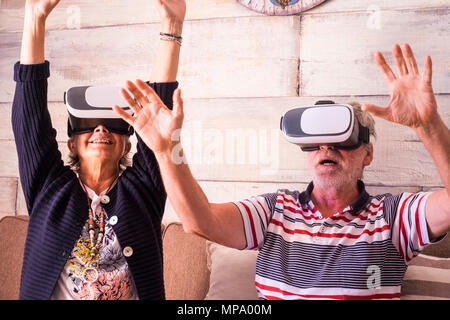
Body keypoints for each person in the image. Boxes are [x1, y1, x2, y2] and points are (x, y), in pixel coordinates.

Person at [115, 44, 450, 299]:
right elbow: (199, 221)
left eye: (342, 139)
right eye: (316, 140)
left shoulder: (393, 217)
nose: (327, 149)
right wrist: (164, 148)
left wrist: (429, 126)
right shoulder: (275, 210)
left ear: (368, 154)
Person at [12, 0, 186, 300]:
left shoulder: (143, 190)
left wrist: (172, 28)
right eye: (88, 125)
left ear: (127, 145)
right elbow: (29, 122)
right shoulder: (49, 188)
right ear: (71, 144)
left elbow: (159, 113)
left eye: (113, 126)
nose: (101, 130)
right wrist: (35, 17)